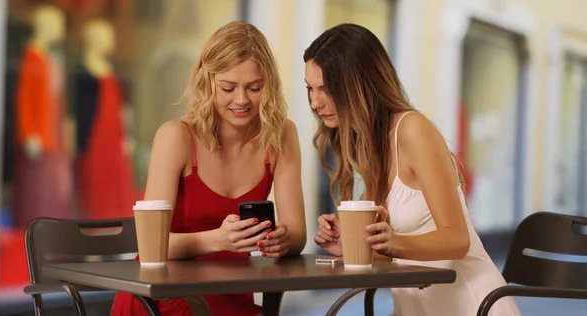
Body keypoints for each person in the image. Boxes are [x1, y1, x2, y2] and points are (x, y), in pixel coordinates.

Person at [307, 24, 520, 316]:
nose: (315, 103)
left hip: (472, 307)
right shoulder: (369, 144)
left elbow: (457, 240)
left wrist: (391, 242)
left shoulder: (411, 130)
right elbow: (399, 253)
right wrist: (353, 246)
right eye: (310, 89)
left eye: (326, 90)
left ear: (359, 83)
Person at [111, 20, 306, 316]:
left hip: (231, 296)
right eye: (228, 88)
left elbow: (297, 232)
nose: (241, 100)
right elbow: (150, 244)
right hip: (162, 296)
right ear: (208, 82)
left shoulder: (281, 135)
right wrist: (218, 239)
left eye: (254, 88)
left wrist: (284, 239)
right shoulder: (175, 137)